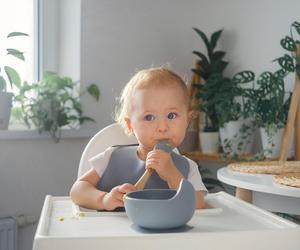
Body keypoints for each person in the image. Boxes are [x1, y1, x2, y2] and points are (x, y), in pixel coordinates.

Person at [70, 67, 207, 211]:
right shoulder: (112, 157)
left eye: (172, 115)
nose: (162, 127)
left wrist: (172, 174)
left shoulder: (187, 167)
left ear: (187, 119)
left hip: (165, 234)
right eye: (149, 117)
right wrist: (104, 199)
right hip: (111, 232)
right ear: (130, 125)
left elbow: (197, 205)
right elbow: (77, 191)